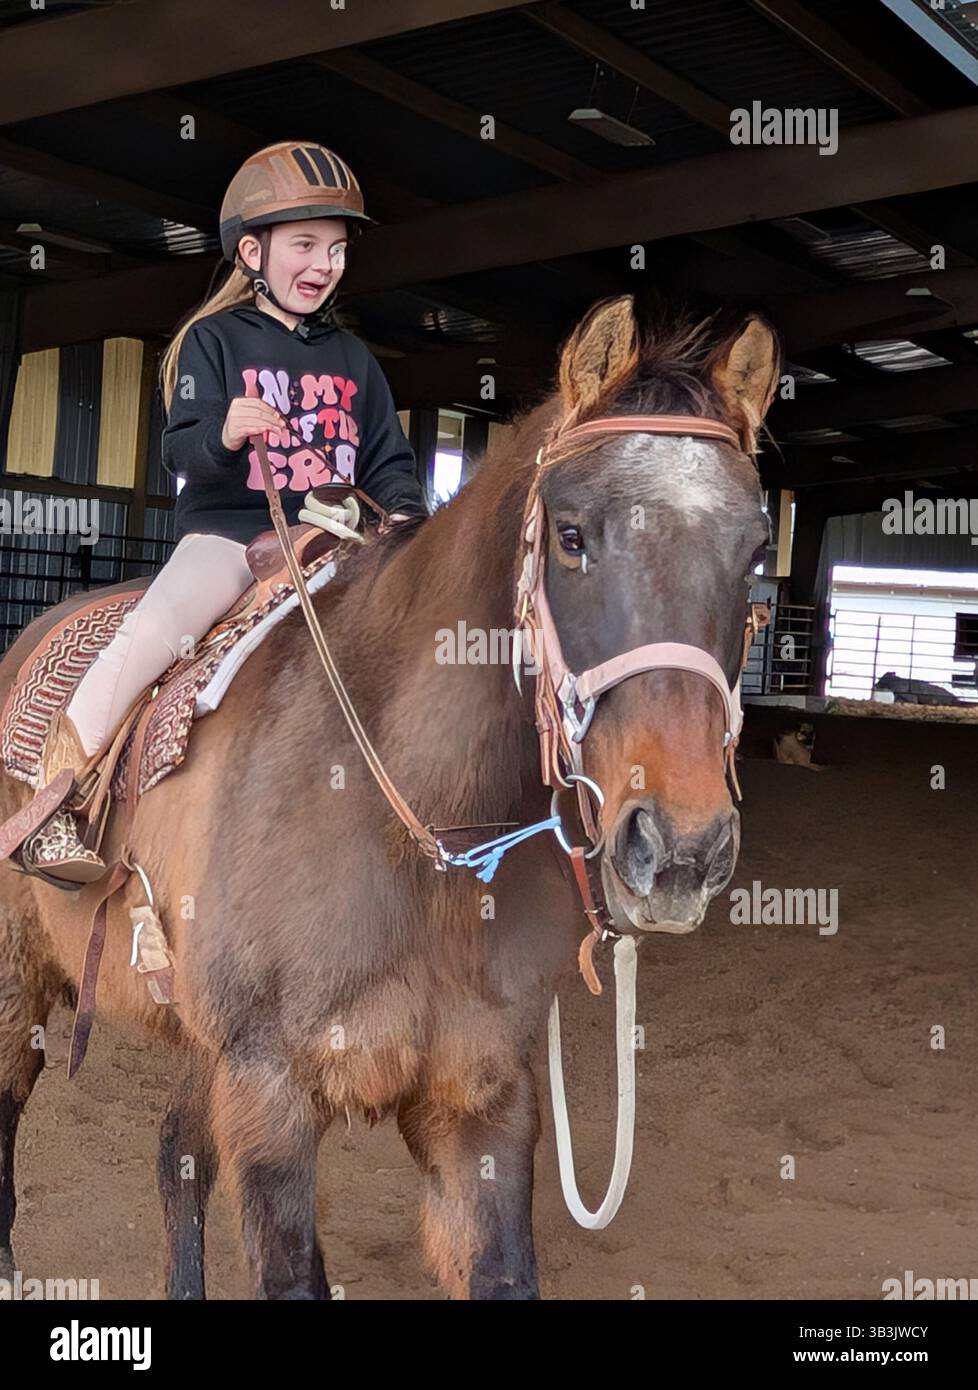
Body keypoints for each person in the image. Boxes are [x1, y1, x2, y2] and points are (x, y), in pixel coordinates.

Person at [17, 140, 427, 885]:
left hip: (337, 546)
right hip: (232, 539)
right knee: (150, 637)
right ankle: (54, 806)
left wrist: (404, 519)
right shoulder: (213, 341)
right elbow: (182, 454)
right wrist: (227, 431)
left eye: (336, 249)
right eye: (304, 244)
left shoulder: (356, 361)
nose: (324, 263)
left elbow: (390, 463)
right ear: (251, 250)